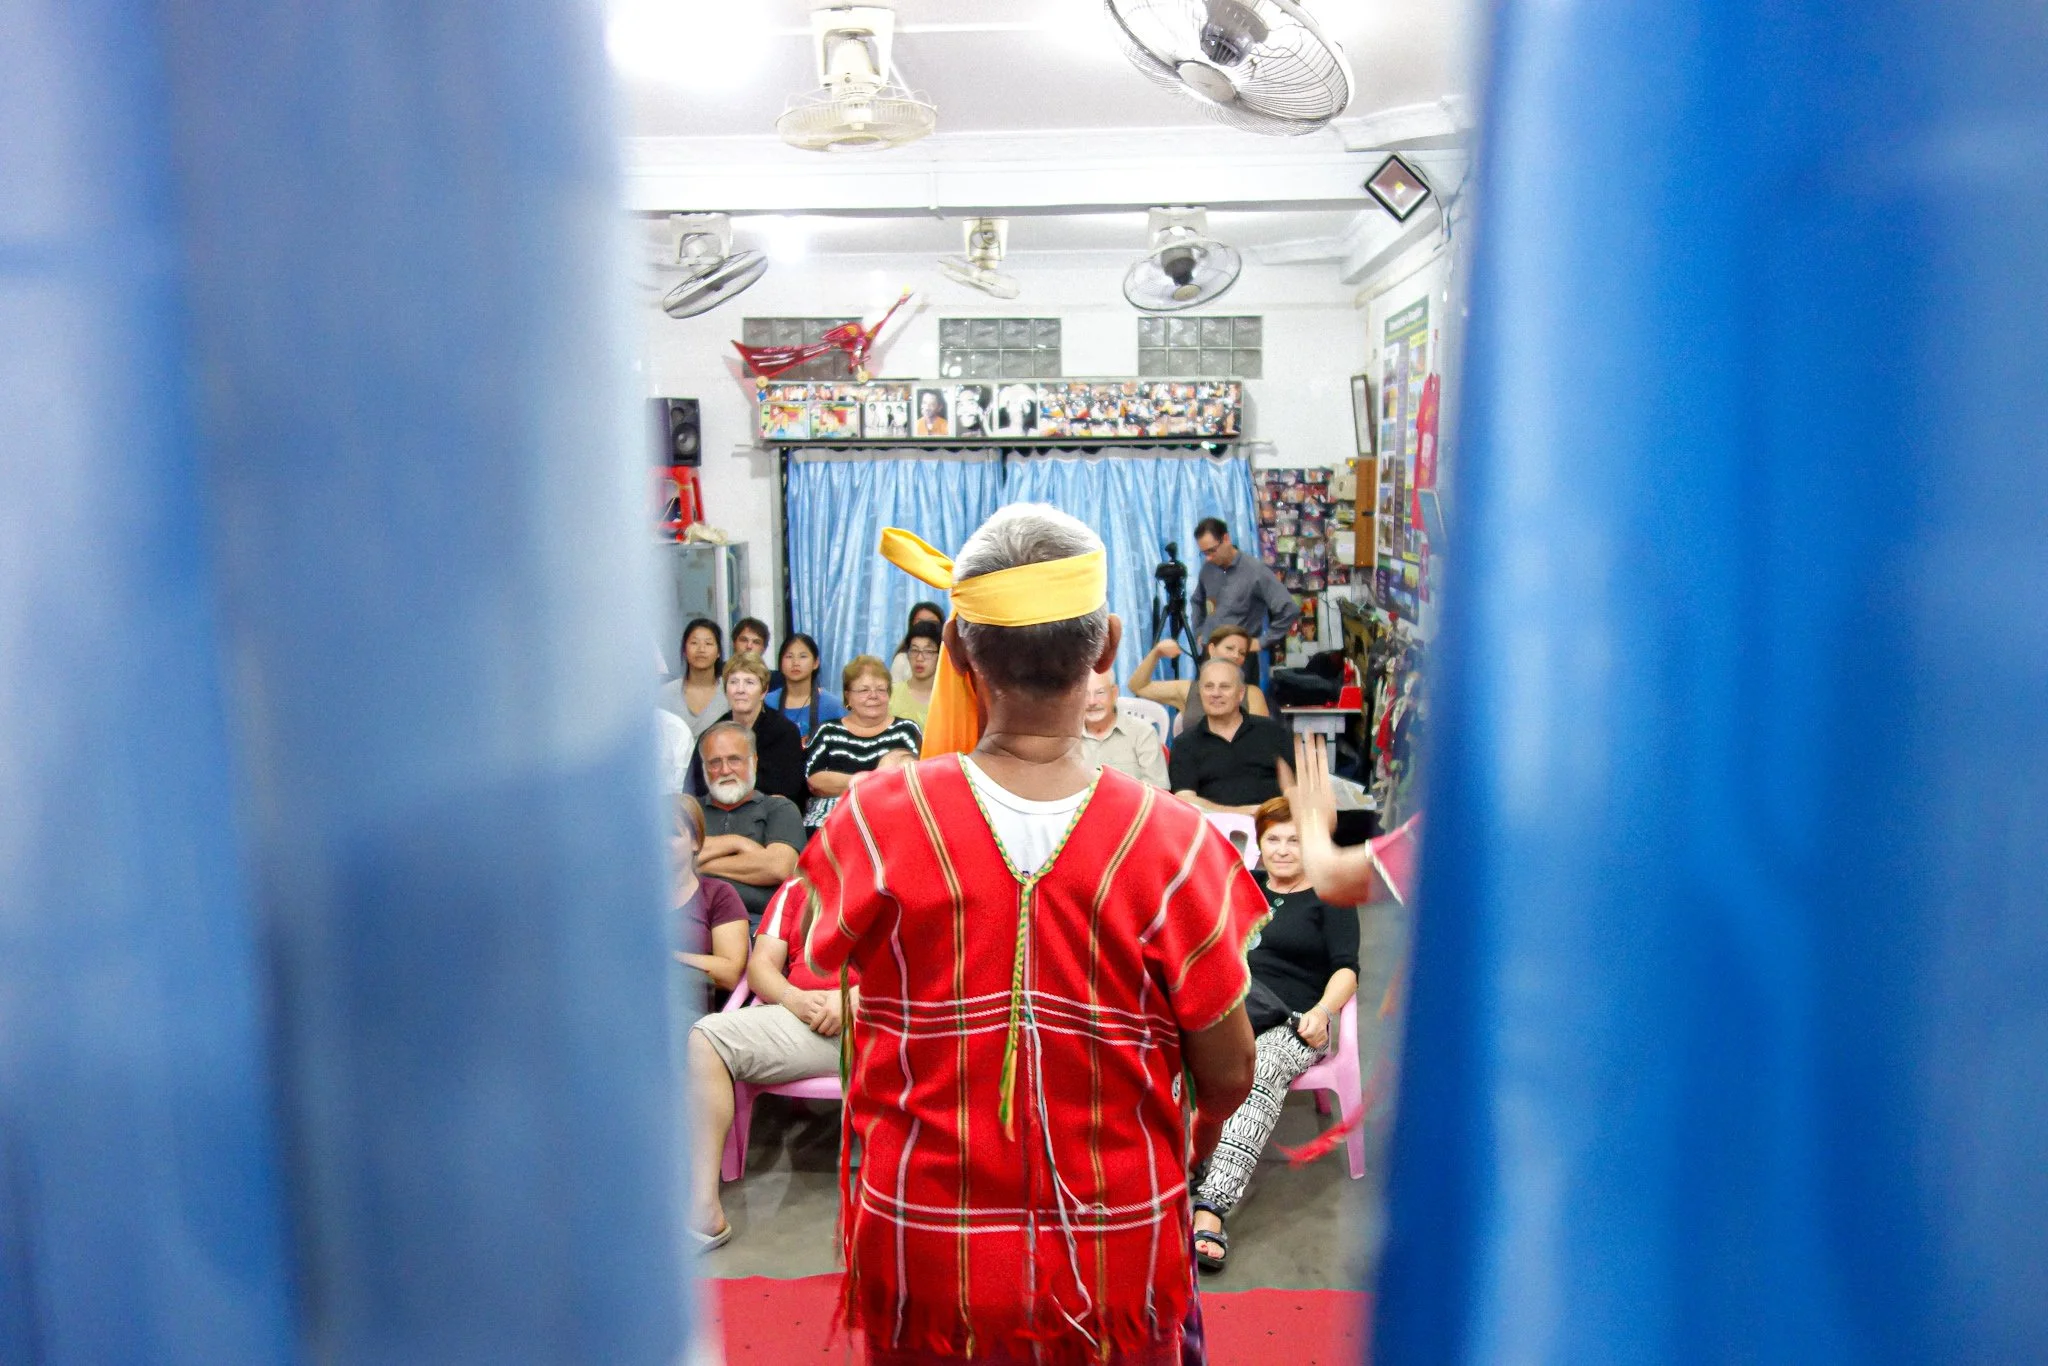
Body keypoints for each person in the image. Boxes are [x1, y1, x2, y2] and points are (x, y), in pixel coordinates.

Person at [797, 503, 1261, 1364]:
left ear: (962, 653)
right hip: (1114, 1255)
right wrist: (1191, 1145)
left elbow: (813, 961)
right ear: (1108, 646)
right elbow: (1229, 1070)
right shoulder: (1178, 846)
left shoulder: (873, 820)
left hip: (925, 1251)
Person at [1189, 796, 1359, 1274]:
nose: (1284, 850)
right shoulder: (1244, 886)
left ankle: (1211, 1206)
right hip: (1237, 1008)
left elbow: (1347, 970)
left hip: (1299, 1021)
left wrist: (1325, 1011)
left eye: (1296, 841)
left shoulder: (1331, 896)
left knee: (1260, 1066)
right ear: (1260, 845)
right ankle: (1166, 1170)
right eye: (1274, 840)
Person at [685, 882, 851, 1251]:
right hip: (804, 1015)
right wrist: (794, 998)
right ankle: (704, 1210)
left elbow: (933, 963)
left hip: (887, 1016)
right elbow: (760, 967)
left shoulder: (905, 874)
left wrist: (856, 996)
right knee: (707, 1036)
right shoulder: (798, 887)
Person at [695, 721, 805, 927]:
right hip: (694, 923)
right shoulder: (688, 810)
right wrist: (736, 843)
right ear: (704, 768)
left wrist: (695, 864)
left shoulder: (779, 808)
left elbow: (778, 867)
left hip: (758, 924)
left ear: (754, 761)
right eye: (714, 762)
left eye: (734, 760)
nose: (725, 770)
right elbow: (666, 861)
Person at [801, 655, 920, 828]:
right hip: (831, 817)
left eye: (881, 689)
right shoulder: (828, 732)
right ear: (847, 696)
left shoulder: (906, 730)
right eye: (864, 690)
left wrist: (850, 784)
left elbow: (912, 780)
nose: (874, 696)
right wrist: (867, 781)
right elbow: (815, 781)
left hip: (890, 815)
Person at [1168, 657, 1291, 813]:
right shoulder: (1184, 744)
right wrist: (1241, 812)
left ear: (1240, 694)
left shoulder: (1272, 732)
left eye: (1224, 687)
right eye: (1208, 687)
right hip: (1213, 829)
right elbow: (1185, 799)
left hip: (1270, 828)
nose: (1216, 693)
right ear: (1200, 693)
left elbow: (1293, 788)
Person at [670, 793, 750, 1010]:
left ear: (696, 842)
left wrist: (671, 957)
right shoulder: (632, 897)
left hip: (689, 1007)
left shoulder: (718, 894)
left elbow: (729, 972)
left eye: (672, 833)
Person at [695, 654, 807, 809]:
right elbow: (698, 789)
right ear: (726, 690)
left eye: (749, 682)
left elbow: (787, 792)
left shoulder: (785, 732)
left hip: (768, 815)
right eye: (733, 682)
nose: (740, 690)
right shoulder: (711, 736)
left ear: (763, 691)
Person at [1189, 516, 1300, 661]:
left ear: (1226, 539)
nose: (1208, 558)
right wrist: (1199, 632)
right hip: (1209, 654)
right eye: (1204, 553)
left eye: (1212, 551)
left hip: (1239, 659)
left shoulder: (1255, 571)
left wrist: (1262, 642)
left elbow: (1289, 608)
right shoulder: (1208, 569)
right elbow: (1197, 601)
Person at [1126, 624, 1272, 723]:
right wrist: (1156, 653)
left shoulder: (1251, 694)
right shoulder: (1187, 690)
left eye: (1242, 653)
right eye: (1229, 648)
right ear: (1212, 649)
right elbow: (1138, 687)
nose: (1236, 656)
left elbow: (1260, 742)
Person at [1079, 666, 1168, 788]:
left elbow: (1158, 793)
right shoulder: (1065, 738)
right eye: (1085, 694)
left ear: (1114, 693)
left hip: (1134, 806)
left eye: (1100, 693)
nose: (1092, 702)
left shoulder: (1143, 733)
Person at [765, 632, 844, 741]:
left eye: (803, 656)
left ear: (816, 663)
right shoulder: (767, 703)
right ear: (781, 664)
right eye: (789, 656)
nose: (795, 662)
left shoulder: (834, 706)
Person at [660, 617, 730, 734]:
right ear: (684, 650)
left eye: (708, 643)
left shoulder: (731, 692)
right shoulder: (665, 694)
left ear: (718, 652)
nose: (701, 649)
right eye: (694, 643)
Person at [888, 619, 940, 727]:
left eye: (928, 651)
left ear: (940, 656)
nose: (919, 658)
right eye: (914, 650)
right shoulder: (890, 696)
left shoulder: (949, 698)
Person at [889, 600, 945, 683]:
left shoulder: (950, 659)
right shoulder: (902, 660)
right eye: (920, 622)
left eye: (932, 623)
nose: (925, 627)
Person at [732, 616, 779, 690]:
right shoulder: (720, 675)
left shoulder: (776, 682)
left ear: (764, 648)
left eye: (756, 642)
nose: (749, 646)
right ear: (734, 643)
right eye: (744, 640)